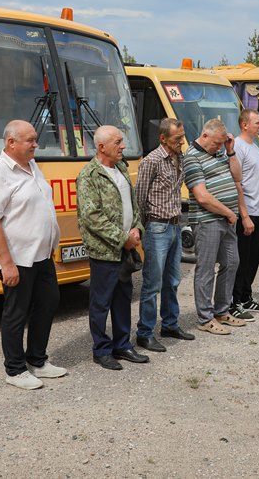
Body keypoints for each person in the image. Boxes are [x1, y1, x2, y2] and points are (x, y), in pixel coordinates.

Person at [0, 120, 67, 390]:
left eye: (35, 139)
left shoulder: (31, 166)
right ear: (11, 143)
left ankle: (38, 361)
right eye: (30, 140)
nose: (35, 144)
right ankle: (15, 370)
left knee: (48, 304)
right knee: (16, 313)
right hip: (17, 259)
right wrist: (6, 264)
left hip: (41, 255)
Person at [77, 125, 149, 370]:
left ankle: (122, 345)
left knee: (122, 299)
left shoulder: (120, 168)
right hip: (105, 251)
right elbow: (92, 216)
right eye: (118, 142)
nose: (123, 146)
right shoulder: (89, 176)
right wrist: (122, 238)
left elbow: (133, 205)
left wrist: (137, 228)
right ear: (101, 147)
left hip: (125, 249)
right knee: (101, 303)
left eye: (122, 141)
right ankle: (101, 349)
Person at [134, 118, 195, 352]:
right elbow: (139, 197)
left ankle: (170, 324)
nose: (181, 141)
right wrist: (142, 227)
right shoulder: (152, 161)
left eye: (182, 136)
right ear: (162, 138)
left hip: (175, 226)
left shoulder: (178, 158)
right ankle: (145, 332)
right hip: (157, 227)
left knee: (172, 281)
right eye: (177, 138)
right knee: (152, 283)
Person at [182, 118, 246, 335]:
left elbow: (237, 177)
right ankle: (205, 317)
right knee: (206, 268)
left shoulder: (220, 151)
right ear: (205, 135)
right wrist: (228, 212)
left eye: (222, 143)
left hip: (226, 219)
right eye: (217, 143)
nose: (218, 146)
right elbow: (201, 196)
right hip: (207, 219)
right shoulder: (191, 157)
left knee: (232, 262)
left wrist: (229, 151)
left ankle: (222, 310)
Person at [230, 109, 259, 320]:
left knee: (254, 258)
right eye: (258, 122)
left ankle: (246, 297)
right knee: (241, 259)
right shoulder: (238, 146)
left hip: (258, 211)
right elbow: (237, 184)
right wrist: (244, 215)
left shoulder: (254, 146)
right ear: (245, 124)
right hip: (245, 212)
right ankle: (233, 301)